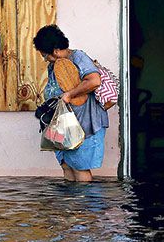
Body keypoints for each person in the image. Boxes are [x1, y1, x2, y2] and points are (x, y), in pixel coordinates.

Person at [33, 25, 109, 182]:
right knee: (67, 165)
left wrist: (69, 94)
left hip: (84, 123)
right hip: (64, 124)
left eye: (45, 55)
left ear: (55, 50)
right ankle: (72, 205)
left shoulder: (78, 58)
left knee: (79, 166)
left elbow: (94, 81)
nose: (45, 59)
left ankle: (86, 204)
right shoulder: (54, 65)